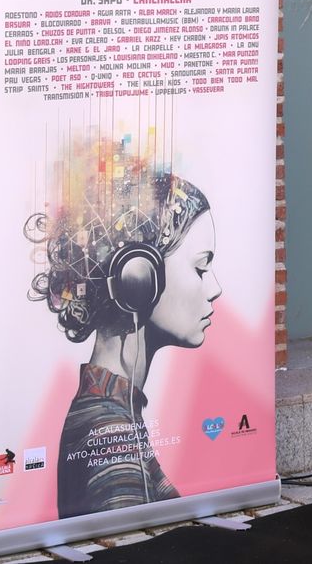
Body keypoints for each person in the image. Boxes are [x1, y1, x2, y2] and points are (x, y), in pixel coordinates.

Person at [27, 140, 221, 518]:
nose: (215, 289)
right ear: (141, 279)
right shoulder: (108, 431)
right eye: (200, 268)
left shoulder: (116, 410)